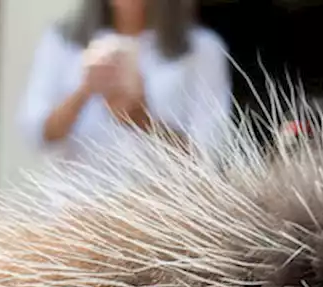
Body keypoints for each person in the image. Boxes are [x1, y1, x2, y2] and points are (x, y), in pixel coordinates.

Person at [19, 0, 233, 166]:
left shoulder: (202, 49)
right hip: (75, 209)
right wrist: (84, 92)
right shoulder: (63, 41)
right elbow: (35, 133)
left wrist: (144, 120)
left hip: (159, 212)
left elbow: (210, 155)